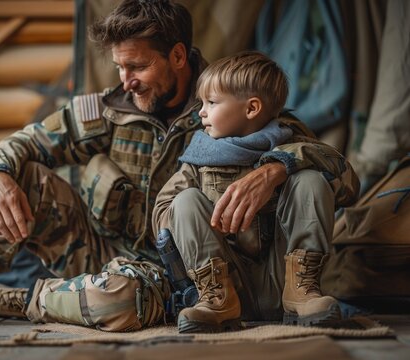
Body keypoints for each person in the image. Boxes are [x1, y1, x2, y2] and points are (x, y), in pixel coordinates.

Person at [0, 0, 357, 331]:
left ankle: (16, 299)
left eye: (138, 67)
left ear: (179, 56)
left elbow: (320, 158)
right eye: (120, 68)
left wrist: (274, 168)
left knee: (120, 301)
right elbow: (28, 141)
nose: (126, 81)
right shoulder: (108, 110)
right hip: (102, 248)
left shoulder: (227, 104)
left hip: (180, 271)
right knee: (23, 174)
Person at [153, 52, 360, 333]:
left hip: (285, 279)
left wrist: (282, 166)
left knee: (310, 179)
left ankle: (303, 293)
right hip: (229, 282)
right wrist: (205, 227)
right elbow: (161, 215)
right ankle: (217, 302)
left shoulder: (295, 142)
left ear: (251, 109)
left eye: (211, 103)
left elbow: (349, 186)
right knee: (184, 200)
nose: (201, 111)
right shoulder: (199, 157)